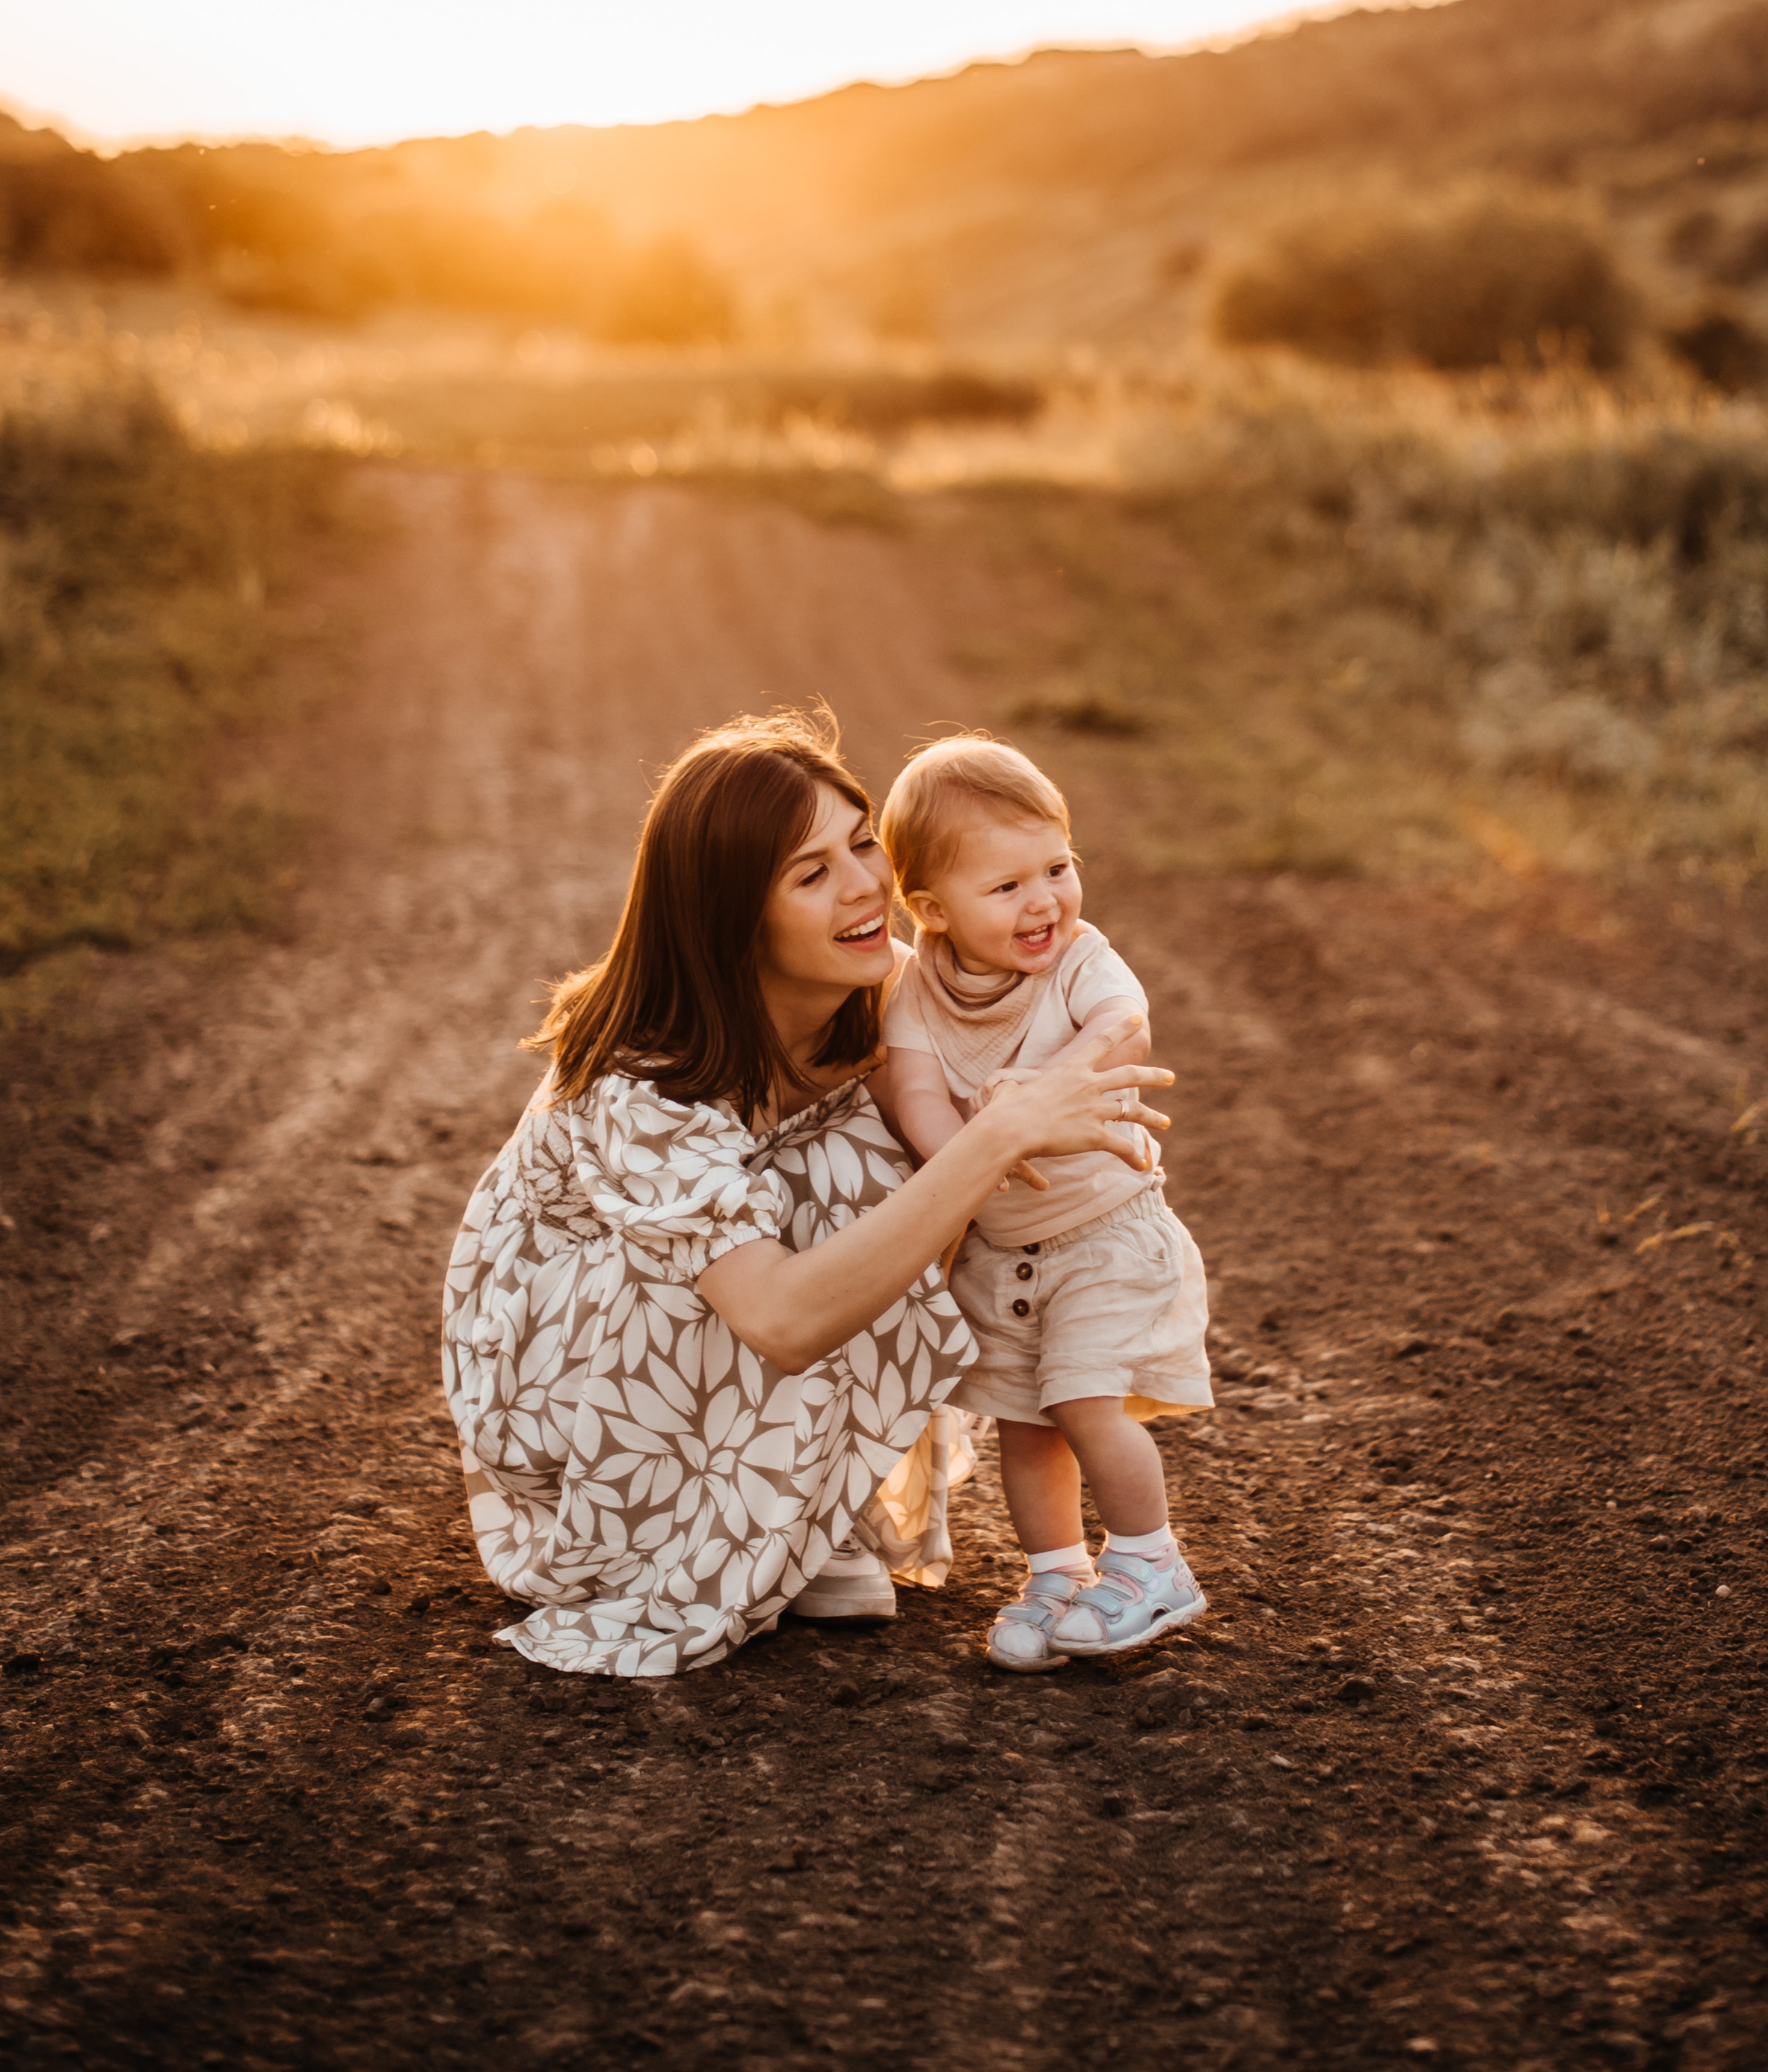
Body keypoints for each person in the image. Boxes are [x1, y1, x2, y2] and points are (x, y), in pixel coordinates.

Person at [440, 709, 1169, 1680]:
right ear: (736, 915)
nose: (867, 883)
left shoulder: (894, 994)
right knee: (857, 1173)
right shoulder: (640, 1079)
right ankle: (690, 1525)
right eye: (811, 872)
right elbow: (779, 1318)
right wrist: (995, 1135)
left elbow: (1052, 1073)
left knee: (903, 1138)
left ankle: (816, 1505)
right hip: (574, 1380)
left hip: (711, 1325)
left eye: (862, 843)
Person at [878, 735, 1212, 1673]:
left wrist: (1038, 1095)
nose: (1045, 901)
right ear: (931, 911)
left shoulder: (1079, 960)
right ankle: (1057, 1574)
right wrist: (972, 1160)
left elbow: (1122, 1026)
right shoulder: (914, 988)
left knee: (1081, 1401)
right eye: (1007, 886)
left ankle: (1152, 1562)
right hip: (1006, 1251)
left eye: (1057, 868)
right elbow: (913, 1098)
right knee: (1027, 1424)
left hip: (1107, 1232)